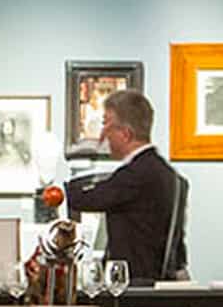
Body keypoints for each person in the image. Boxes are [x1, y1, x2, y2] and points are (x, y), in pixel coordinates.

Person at [64, 88, 188, 284]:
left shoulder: (135, 174)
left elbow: (80, 199)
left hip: (135, 286)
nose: (103, 133)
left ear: (125, 134)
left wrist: (90, 154)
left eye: (106, 124)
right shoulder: (171, 176)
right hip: (161, 284)